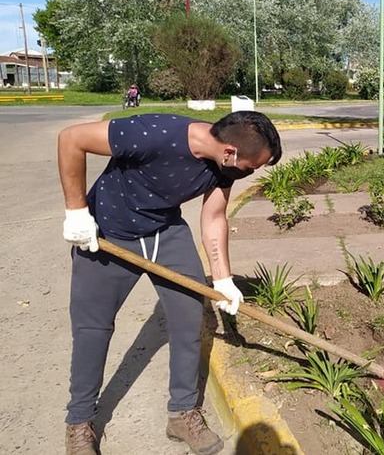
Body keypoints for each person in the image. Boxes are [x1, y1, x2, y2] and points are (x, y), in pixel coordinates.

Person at [58, 111, 282, 455]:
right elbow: (71, 139)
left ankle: (182, 413)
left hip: (165, 231)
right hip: (106, 231)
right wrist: (76, 211)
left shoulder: (225, 166)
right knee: (93, 329)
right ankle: (80, 421)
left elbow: (215, 216)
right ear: (230, 153)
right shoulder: (153, 133)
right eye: (252, 167)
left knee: (188, 317)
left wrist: (222, 278)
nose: (250, 173)